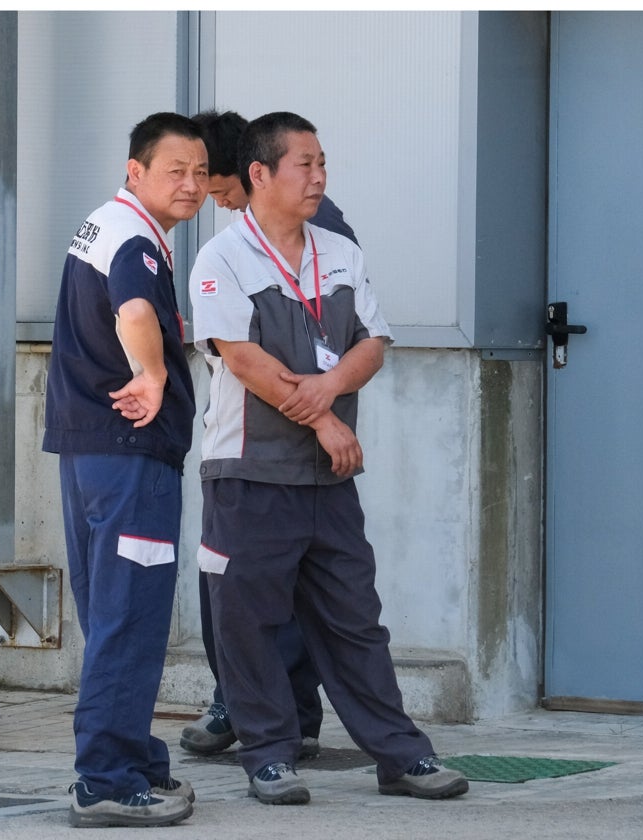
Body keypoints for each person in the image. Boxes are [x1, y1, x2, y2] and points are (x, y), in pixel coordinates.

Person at [188, 111, 469, 806]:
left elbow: (372, 341)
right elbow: (245, 360)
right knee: (247, 621)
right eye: (304, 165)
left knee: (355, 619)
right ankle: (269, 755)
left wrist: (328, 395)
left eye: (322, 164)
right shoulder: (221, 259)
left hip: (328, 476)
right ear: (260, 174)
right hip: (249, 472)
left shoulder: (338, 252)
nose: (319, 177)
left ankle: (401, 756)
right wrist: (325, 421)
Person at [41, 112, 208, 828]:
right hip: (129, 456)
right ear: (135, 170)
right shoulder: (135, 238)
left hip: (91, 453)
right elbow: (135, 311)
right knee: (129, 618)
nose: (193, 185)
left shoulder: (102, 224)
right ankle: (105, 779)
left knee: (112, 613)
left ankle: (133, 758)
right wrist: (151, 372)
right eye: (176, 171)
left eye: (202, 172)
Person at [179, 109, 360, 759]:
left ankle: (274, 719)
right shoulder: (241, 242)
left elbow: (306, 352)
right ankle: (262, 712)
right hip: (253, 443)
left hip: (285, 449)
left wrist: (322, 414)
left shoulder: (320, 236)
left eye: (216, 182)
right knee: (243, 590)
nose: (210, 196)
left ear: (252, 175)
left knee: (271, 595)